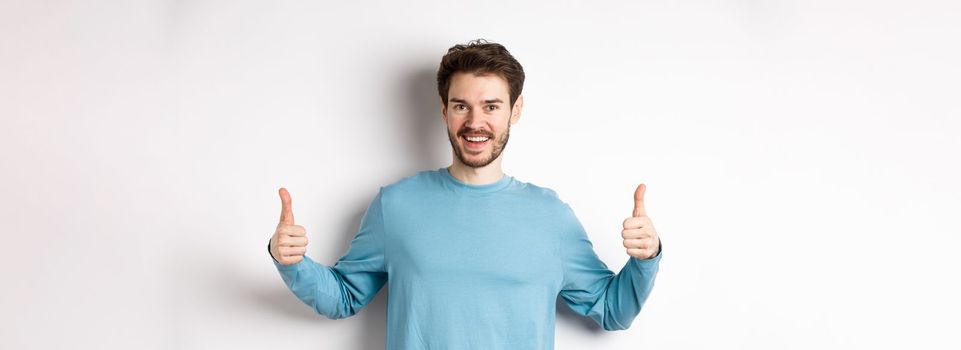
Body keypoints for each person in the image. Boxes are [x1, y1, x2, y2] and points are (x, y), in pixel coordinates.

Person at [267, 39, 662, 349]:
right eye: (462, 106)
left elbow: (613, 310)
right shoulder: (397, 205)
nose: (476, 122)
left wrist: (646, 258)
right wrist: (292, 262)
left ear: (515, 110)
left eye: (491, 106)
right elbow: (343, 297)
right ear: (444, 111)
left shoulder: (551, 216)